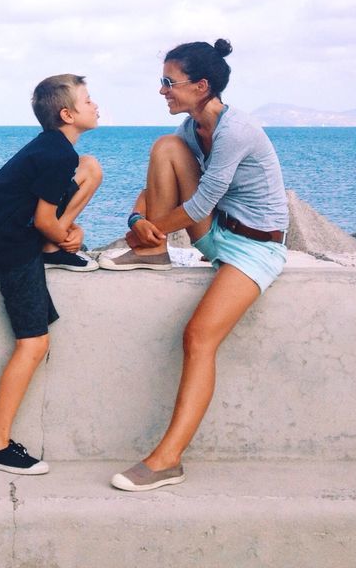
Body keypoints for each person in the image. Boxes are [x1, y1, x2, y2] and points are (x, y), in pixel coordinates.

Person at [99, 39, 288, 491]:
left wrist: (154, 225)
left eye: (170, 82)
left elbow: (202, 200)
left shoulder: (236, 130)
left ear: (201, 85)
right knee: (164, 146)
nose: (162, 90)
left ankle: (168, 460)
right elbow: (153, 193)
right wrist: (138, 222)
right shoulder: (189, 128)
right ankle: (151, 253)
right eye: (162, 81)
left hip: (256, 248)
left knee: (198, 337)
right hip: (216, 233)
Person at [0, 74, 103, 475]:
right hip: (9, 243)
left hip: (4, 226)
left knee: (92, 169)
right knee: (33, 344)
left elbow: (48, 212)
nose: (96, 105)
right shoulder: (55, 154)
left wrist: (61, 234)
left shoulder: (58, 150)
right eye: (88, 100)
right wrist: (65, 237)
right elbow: (45, 218)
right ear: (67, 114)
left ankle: (51, 252)